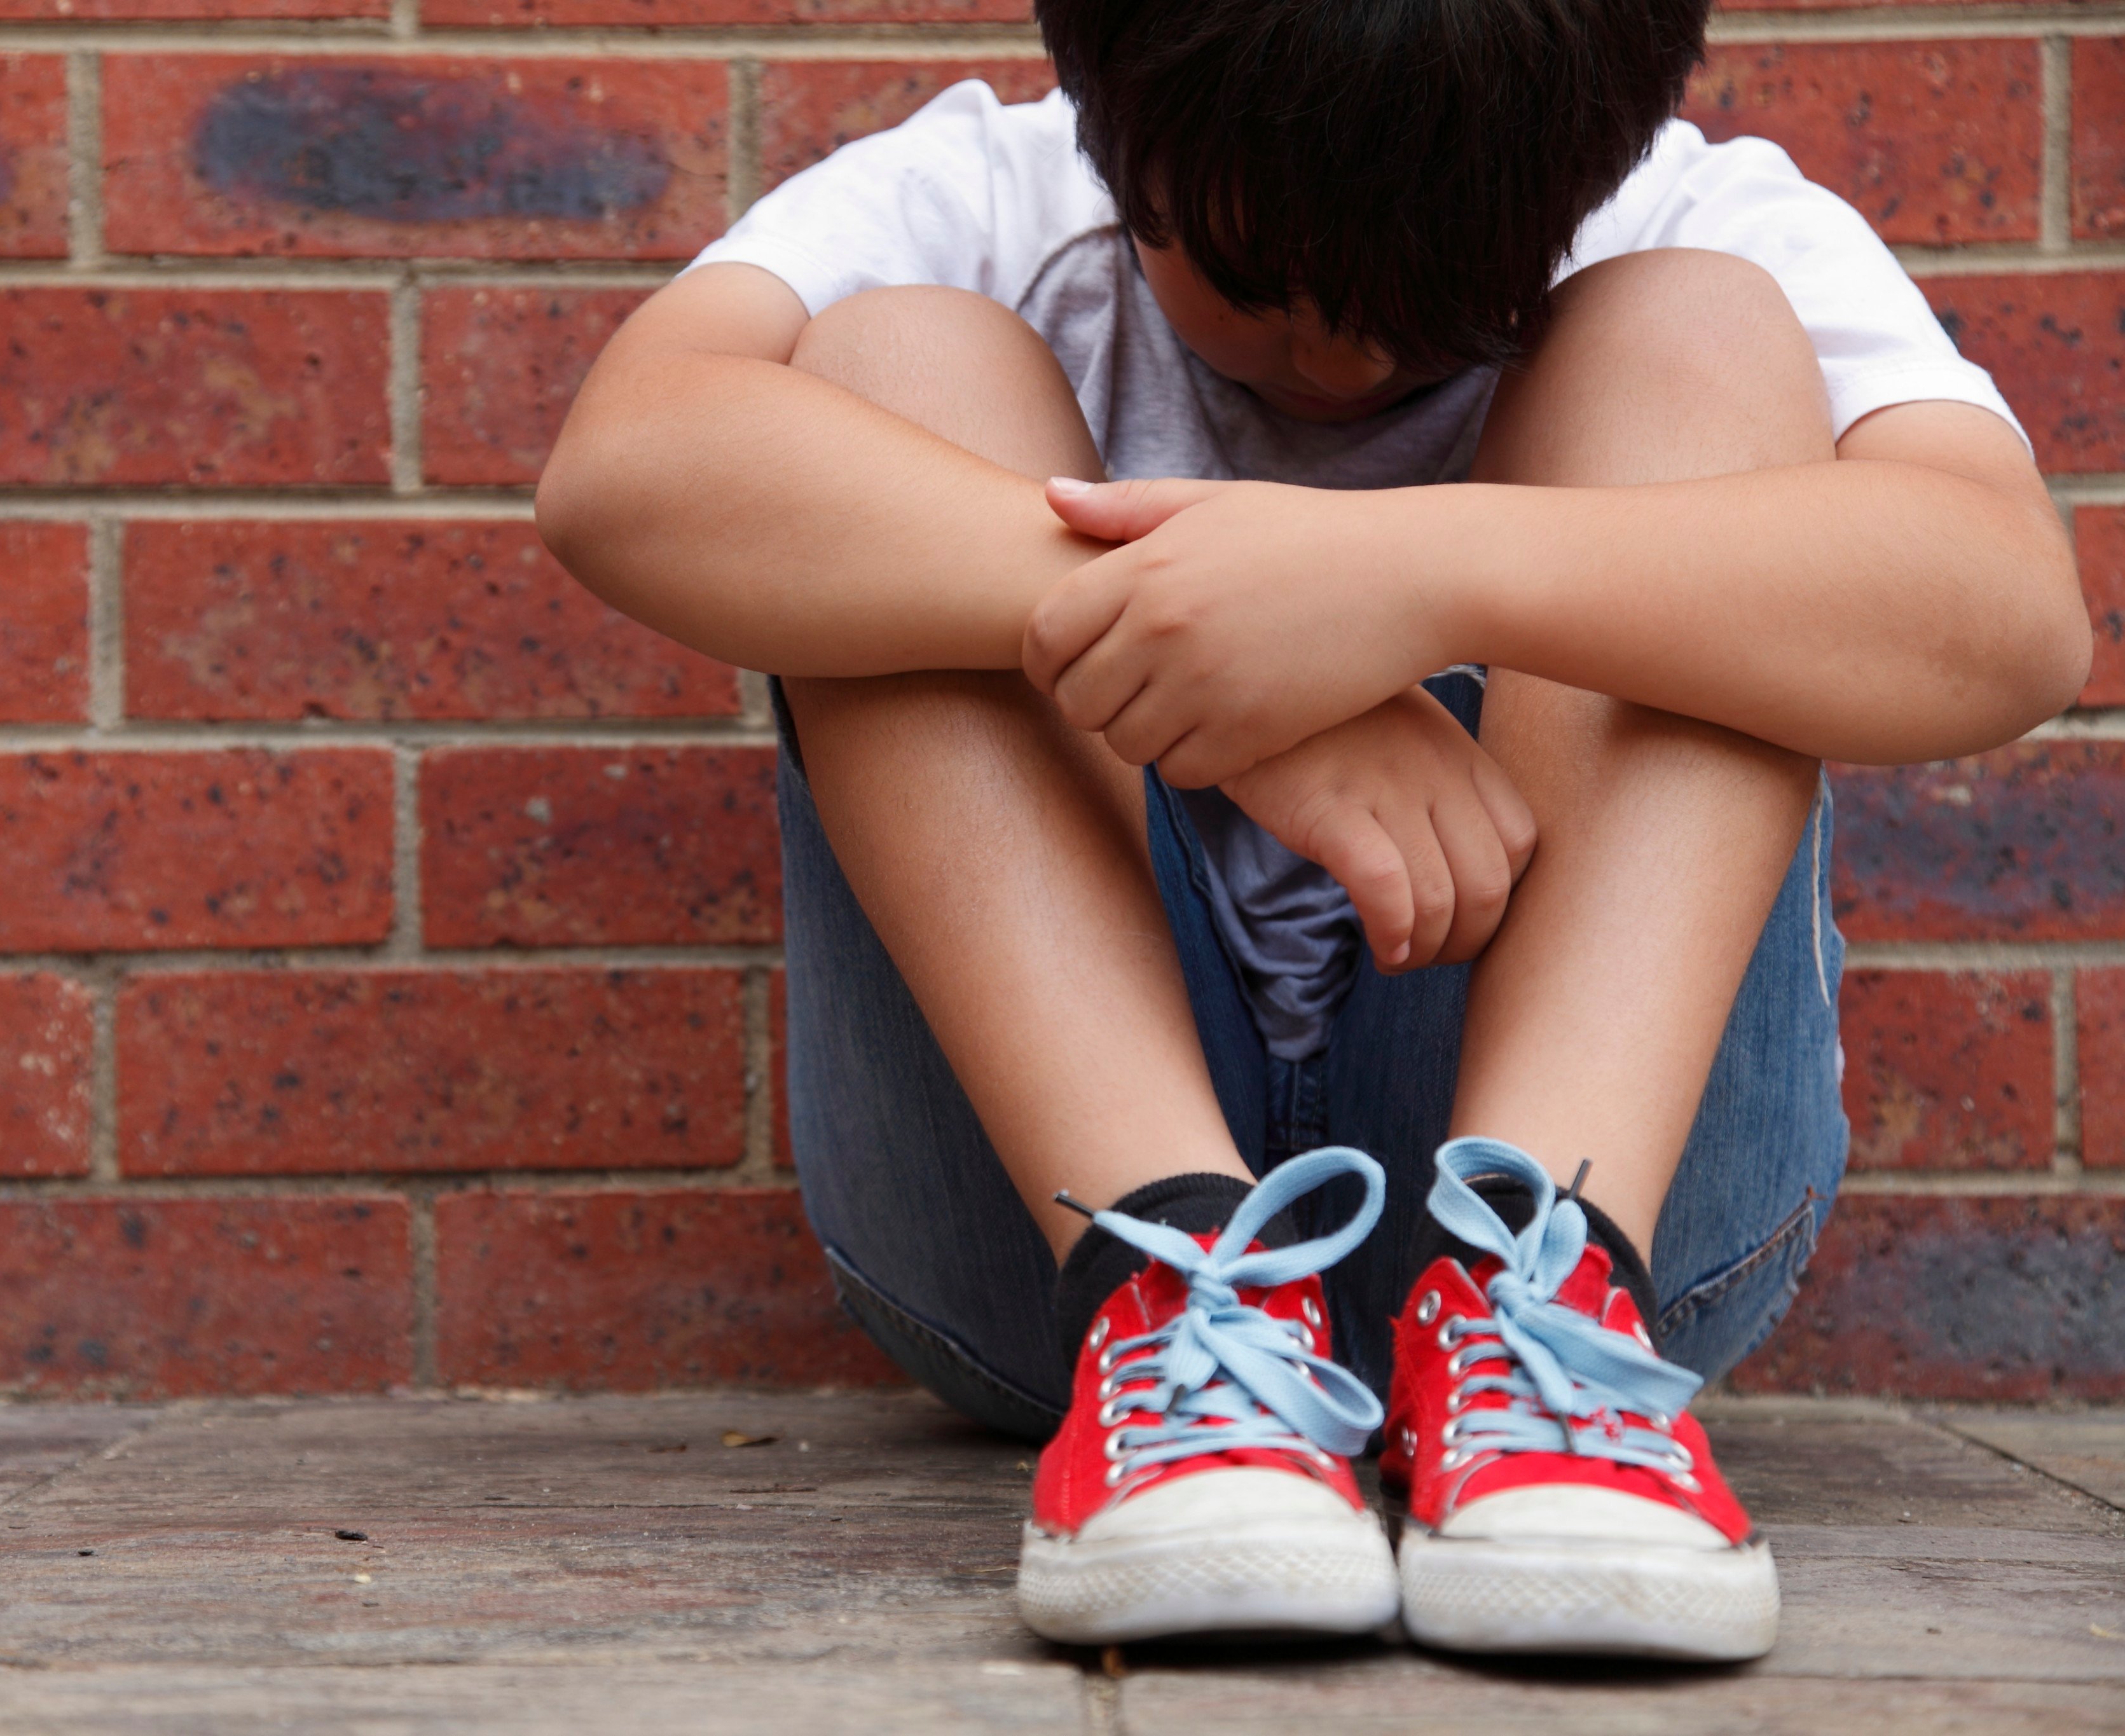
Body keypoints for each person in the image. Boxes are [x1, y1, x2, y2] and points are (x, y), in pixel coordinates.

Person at [536, 0, 2088, 1662]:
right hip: (1039, 1241)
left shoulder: (1688, 210)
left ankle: (1537, 1307)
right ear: (1115, 136)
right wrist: (1170, 635)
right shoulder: (978, 194)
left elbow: (2012, 616)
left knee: (1700, 339)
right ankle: (1173, 1276)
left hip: (1616, 1199)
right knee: (890, 361)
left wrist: (1416, 579)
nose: (1345, 360)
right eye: (1264, 289)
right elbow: (623, 470)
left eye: (1445, 309)